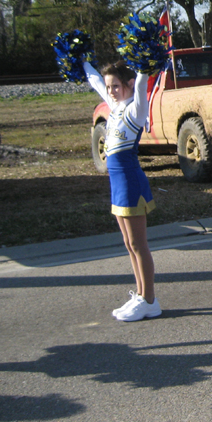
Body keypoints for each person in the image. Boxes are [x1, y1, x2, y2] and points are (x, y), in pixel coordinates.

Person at [84, 60, 161, 322]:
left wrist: (144, 60)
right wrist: (81, 59)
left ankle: (150, 300)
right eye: (109, 87)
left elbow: (141, 82)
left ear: (128, 84)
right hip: (117, 185)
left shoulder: (135, 109)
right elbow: (95, 81)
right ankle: (140, 295)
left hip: (131, 183)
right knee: (129, 244)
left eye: (116, 86)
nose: (111, 91)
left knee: (139, 244)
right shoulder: (115, 106)